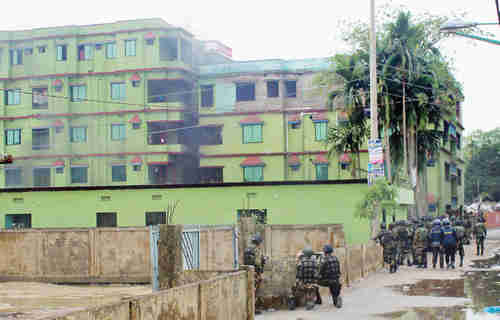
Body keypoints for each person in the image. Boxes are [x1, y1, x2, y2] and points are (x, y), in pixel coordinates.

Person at [243, 234, 266, 314]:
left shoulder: (247, 249)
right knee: (254, 292)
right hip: (255, 273)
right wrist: (259, 273)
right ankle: (253, 310)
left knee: (250, 291)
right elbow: (257, 263)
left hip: (248, 273)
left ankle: (250, 310)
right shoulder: (256, 250)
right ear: (259, 242)